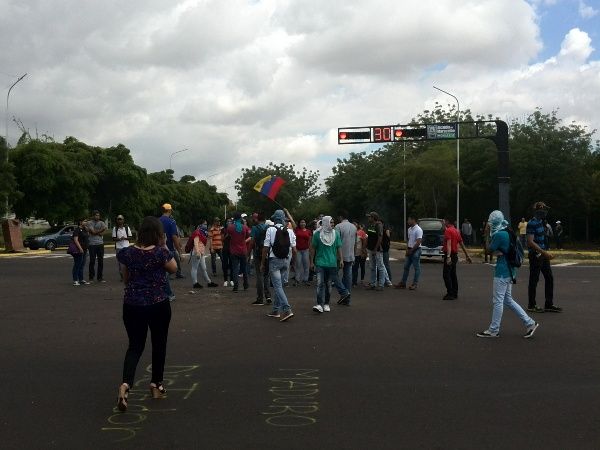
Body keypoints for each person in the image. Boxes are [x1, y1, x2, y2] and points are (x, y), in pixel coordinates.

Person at [116, 216, 177, 412]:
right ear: (158, 234)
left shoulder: (128, 253)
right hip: (158, 303)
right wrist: (165, 244)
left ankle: (126, 385)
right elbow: (174, 268)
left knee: (135, 346)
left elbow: (125, 278)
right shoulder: (160, 253)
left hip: (132, 304)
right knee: (159, 343)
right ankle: (156, 384)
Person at [476, 210, 539, 338]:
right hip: (511, 270)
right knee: (508, 300)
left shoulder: (499, 235)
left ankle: (494, 329)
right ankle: (529, 322)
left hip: (502, 271)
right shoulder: (508, 231)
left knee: (498, 301)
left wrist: (486, 234)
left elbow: (488, 250)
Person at [526, 202, 562, 313]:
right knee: (534, 279)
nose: (545, 212)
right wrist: (544, 252)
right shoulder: (532, 223)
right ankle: (531, 305)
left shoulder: (542, 222)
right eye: (544, 210)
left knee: (549, 277)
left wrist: (546, 252)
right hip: (536, 254)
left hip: (543, 253)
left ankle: (548, 304)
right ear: (539, 211)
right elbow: (530, 242)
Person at [261, 209, 296, 322]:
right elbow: (294, 249)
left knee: (277, 287)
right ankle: (275, 310)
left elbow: (266, 248)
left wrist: (262, 263)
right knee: (279, 286)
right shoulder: (289, 231)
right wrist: (293, 262)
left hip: (274, 260)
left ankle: (287, 309)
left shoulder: (270, 229)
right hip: (285, 261)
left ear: (274, 219)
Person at [311, 215, 351, 311]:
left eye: (333, 222)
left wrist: (341, 259)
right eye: (331, 222)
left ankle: (326, 303)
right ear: (325, 223)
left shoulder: (336, 234)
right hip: (320, 262)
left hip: (332, 263)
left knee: (328, 284)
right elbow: (312, 249)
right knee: (320, 283)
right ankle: (319, 304)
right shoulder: (317, 234)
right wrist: (311, 262)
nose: (333, 224)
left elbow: (339, 247)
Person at [442, 216, 472, 300]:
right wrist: (467, 255)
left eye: (444, 221)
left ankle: (450, 293)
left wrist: (448, 256)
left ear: (447, 221)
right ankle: (455, 293)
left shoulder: (448, 231)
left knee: (446, 274)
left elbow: (448, 243)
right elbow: (462, 244)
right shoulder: (456, 230)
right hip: (455, 255)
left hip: (450, 254)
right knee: (453, 274)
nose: (443, 222)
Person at [159, 203, 183, 301]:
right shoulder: (171, 222)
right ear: (170, 210)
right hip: (169, 249)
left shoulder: (157, 221)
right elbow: (174, 237)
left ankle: (164, 293)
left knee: (162, 273)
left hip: (158, 249)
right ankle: (168, 294)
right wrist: (180, 251)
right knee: (166, 274)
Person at [395, 216, 422, 290]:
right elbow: (409, 240)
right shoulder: (409, 229)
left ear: (413, 220)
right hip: (410, 249)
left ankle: (414, 284)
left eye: (409, 220)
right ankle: (403, 283)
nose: (408, 221)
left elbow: (418, 242)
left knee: (417, 268)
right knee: (406, 267)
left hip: (416, 250)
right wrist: (407, 249)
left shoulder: (418, 229)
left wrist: (412, 250)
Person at [250, 212, 271, 305]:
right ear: (265, 220)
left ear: (257, 219)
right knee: (266, 275)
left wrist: (248, 254)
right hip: (267, 252)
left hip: (258, 252)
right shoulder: (268, 228)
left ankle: (260, 298)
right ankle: (268, 296)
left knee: (259, 275)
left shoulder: (254, 228)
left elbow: (252, 242)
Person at [227, 212, 250, 292]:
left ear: (234, 218)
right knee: (244, 269)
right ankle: (246, 285)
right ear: (240, 218)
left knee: (235, 269)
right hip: (243, 250)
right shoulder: (244, 227)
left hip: (234, 250)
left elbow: (228, 235)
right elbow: (248, 235)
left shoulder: (230, 227)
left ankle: (236, 287)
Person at [190, 221, 218, 289]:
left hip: (201, 253)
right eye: (204, 224)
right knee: (194, 268)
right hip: (197, 253)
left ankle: (209, 282)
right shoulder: (197, 232)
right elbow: (196, 243)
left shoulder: (202, 232)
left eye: (206, 224)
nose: (206, 225)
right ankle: (195, 283)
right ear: (200, 224)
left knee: (204, 268)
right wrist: (197, 252)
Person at [335, 211, 357, 294]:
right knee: (347, 275)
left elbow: (336, 242)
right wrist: (354, 255)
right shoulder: (354, 227)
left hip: (339, 255)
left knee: (333, 274)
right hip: (350, 255)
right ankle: (347, 294)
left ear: (340, 217)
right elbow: (354, 242)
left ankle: (343, 291)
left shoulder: (338, 226)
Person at [365, 211, 387, 291]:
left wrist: (375, 249)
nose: (368, 218)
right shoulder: (370, 225)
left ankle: (381, 284)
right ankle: (373, 283)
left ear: (373, 218)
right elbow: (368, 237)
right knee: (372, 267)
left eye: (369, 217)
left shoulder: (378, 225)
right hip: (371, 249)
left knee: (380, 267)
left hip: (377, 250)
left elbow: (380, 238)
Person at [87, 210, 107, 282]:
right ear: (93, 216)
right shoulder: (90, 223)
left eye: (98, 215)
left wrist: (99, 232)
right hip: (92, 244)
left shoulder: (102, 222)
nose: (97, 217)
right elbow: (93, 232)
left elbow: (104, 232)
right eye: (96, 215)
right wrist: (101, 230)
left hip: (100, 244)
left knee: (100, 261)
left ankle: (100, 277)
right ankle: (91, 277)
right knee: (92, 261)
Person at [112, 214, 133, 281]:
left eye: (121, 219)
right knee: (120, 263)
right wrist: (119, 239)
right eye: (118, 219)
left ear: (123, 220)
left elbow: (130, 237)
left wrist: (125, 238)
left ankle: (128, 275)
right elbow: (113, 238)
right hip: (119, 247)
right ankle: (122, 276)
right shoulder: (115, 228)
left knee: (128, 262)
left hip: (126, 246)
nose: (120, 220)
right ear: (117, 220)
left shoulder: (126, 228)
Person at [71, 218, 90, 286]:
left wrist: (86, 228)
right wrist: (80, 248)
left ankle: (81, 279)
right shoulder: (77, 230)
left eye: (86, 221)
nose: (86, 222)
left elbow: (87, 236)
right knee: (77, 265)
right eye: (85, 221)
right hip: (78, 250)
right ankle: (75, 280)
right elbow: (75, 240)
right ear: (80, 222)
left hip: (85, 249)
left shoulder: (85, 229)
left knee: (82, 265)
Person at [294, 219, 312, 286]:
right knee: (298, 265)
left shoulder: (308, 231)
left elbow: (310, 242)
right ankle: (297, 280)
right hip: (298, 250)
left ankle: (306, 280)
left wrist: (310, 250)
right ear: (299, 223)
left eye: (304, 222)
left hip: (306, 250)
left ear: (305, 223)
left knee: (306, 265)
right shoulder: (297, 230)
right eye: (301, 222)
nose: (303, 223)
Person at [381, 221, 393, 285]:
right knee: (381, 265)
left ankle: (389, 279)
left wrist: (387, 232)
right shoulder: (380, 230)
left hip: (385, 250)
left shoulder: (386, 230)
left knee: (386, 265)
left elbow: (388, 237)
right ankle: (383, 279)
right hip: (381, 249)